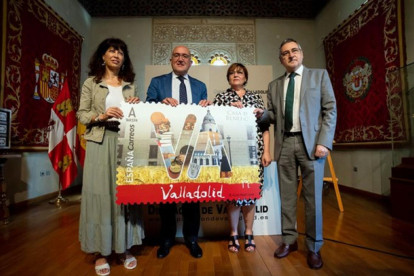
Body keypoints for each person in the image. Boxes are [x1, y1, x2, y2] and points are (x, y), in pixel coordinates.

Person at [256, 38, 336, 269]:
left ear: (301, 53)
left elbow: (330, 110)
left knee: (313, 200)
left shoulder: (319, 76)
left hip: (311, 145)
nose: (290, 55)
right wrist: (261, 114)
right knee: (287, 198)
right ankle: (289, 241)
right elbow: (272, 117)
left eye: (294, 50)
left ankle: (314, 247)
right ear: (280, 59)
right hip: (285, 144)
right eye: (285, 53)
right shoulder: (274, 85)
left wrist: (324, 142)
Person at [77, 38, 143, 276]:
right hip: (100, 140)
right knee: (100, 194)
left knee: (123, 193)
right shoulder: (91, 83)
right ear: (102, 56)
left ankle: (124, 247)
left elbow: (139, 116)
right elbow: (82, 114)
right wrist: (103, 115)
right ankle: (100, 251)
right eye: (112, 50)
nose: (116, 55)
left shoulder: (131, 84)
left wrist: (137, 105)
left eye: (121, 52)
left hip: (126, 142)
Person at [146, 45, 210, 259]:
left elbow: (204, 116)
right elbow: (148, 109)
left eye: (185, 56)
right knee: (167, 196)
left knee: (192, 196)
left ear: (191, 61)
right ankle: (166, 239)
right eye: (177, 55)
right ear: (171, 59)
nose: (181, 59)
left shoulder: (200, 86)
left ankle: (192, 239)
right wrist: (159, 103)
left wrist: (207, 106)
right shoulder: (157, 82)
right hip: (166, 144)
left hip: (192, 146)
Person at [213, 63, 271, 253]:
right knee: (233, 195)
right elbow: (213, 125)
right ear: (228, 78)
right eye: (232, 73)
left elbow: (265, 128)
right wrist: (227, 111)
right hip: (229, 154)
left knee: (250, 194)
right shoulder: (221, 98)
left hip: (254, 154)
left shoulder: (255, 98)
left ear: (245, 77)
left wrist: (267, 151)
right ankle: (233, 233)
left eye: (239, 72)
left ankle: (249, 232)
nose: (235, 75)